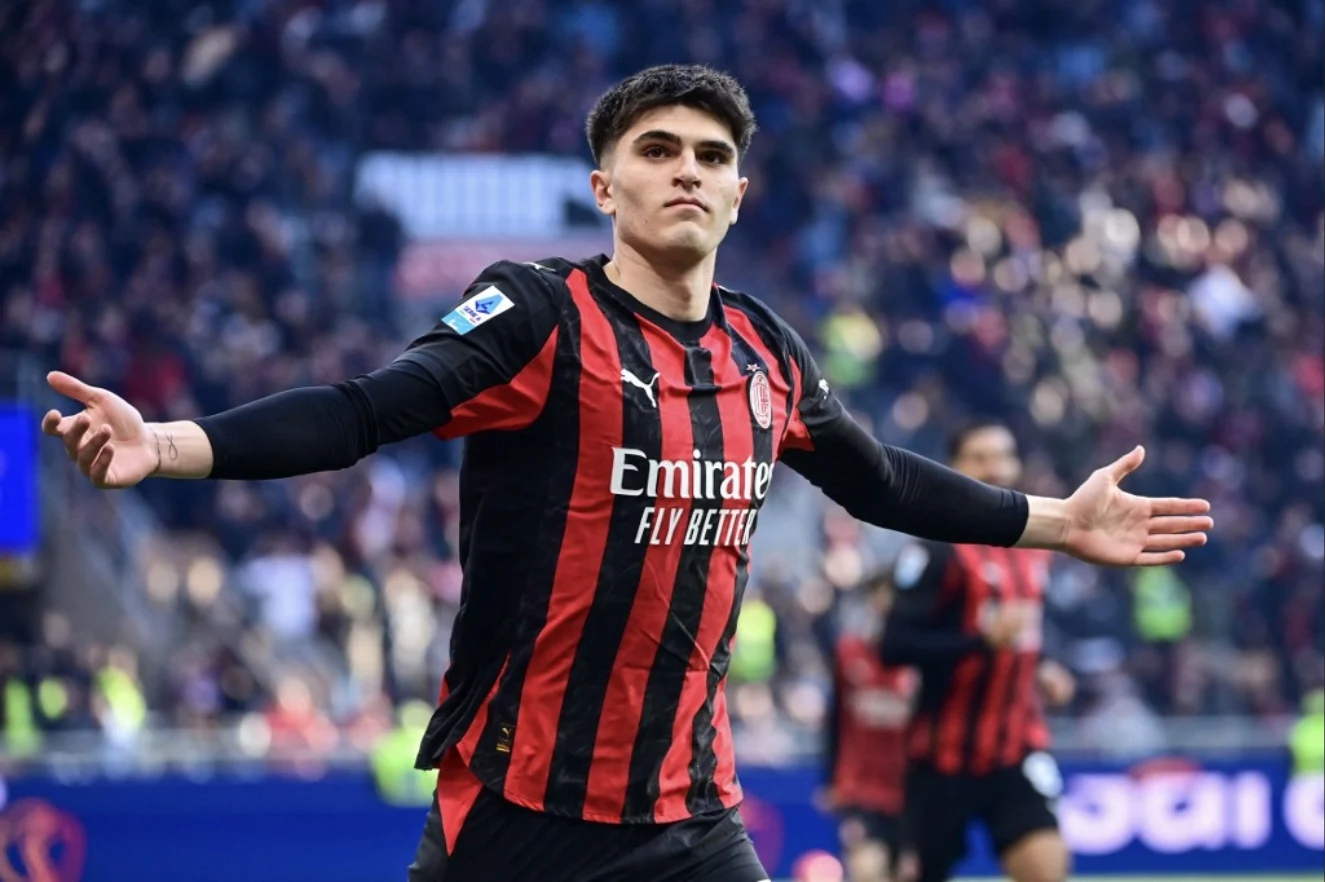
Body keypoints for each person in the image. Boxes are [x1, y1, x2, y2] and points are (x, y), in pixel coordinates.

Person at [41, 65, 1212, 882]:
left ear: (739, 195)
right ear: (604, 188)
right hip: (519, 810)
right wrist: (170, 445)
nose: (686, 172)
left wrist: (1055, 520)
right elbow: (363, 412)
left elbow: (882, 483)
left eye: (712, 157)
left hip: (691, 816)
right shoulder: (536, 316)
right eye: (656, 152)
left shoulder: (763, 349)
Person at [880, 422, 1081, 882]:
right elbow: (894, 645)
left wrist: (1046, 667)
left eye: (1003, 456)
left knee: (1048, 870)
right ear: (954, 467)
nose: (994, 468)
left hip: (1016, 751)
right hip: (942, 758)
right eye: (980, 457)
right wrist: (979, 642)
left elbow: (1028, 631)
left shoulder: (1035, 548)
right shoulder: (934, 550)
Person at [822, 570, 919, 882]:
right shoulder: (849, 654)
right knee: (867, 870)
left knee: (904, 873)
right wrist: (830, 778)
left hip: (909, 791)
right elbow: (835, 720)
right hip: (859, 788)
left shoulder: (920, 660)